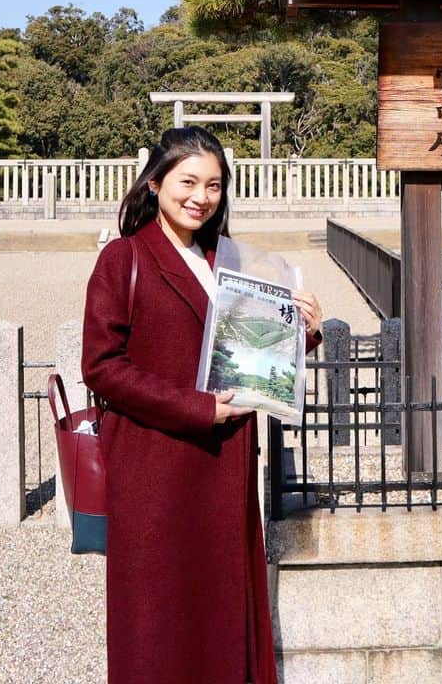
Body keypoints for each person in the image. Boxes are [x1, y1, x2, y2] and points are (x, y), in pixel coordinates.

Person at [82, 127, 323, 684]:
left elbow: (250, 348)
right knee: (158, 617)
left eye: (214, 185)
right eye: (187, 181)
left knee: (221, 608)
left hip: (225, 459)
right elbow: (101, 366)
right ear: (155, 183)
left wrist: (300, 330)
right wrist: (193, 407)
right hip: (156, 467)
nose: (200, 196)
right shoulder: (124, 259)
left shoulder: (228, 258)